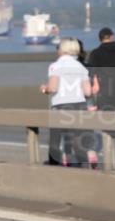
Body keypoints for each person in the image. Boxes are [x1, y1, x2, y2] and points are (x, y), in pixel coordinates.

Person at [40, 37, 96, 167]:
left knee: (56, 139)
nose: (57, 50)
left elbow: (53, 88)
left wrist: (44, 89)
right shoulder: (81, 67)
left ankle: (58, 163)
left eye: (58, 47)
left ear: (63, 50)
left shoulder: (55, 66)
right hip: (80, 105)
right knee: (78, 137)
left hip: (61, 106)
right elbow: (88, 92)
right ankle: (88, 157)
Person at [88, 27, 115, 170]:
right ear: (112, 36)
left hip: (105, 96)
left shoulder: (95, 54)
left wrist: (94, 89)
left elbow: (92, 76)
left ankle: (109, 163)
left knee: (106, 129)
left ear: (100, 38)